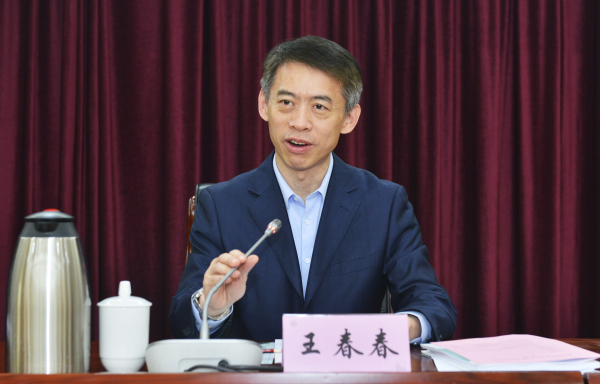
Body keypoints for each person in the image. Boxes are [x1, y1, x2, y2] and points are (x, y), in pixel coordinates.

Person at [169, 36, 456, 342]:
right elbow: (181, 321)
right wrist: (211, 307)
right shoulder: (220, 205)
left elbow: (433, 305)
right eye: (286, 103)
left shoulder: (383, 204)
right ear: (264, 105)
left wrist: (387, 333)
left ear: (349, 118)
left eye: (319, 106)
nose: (299, 122)